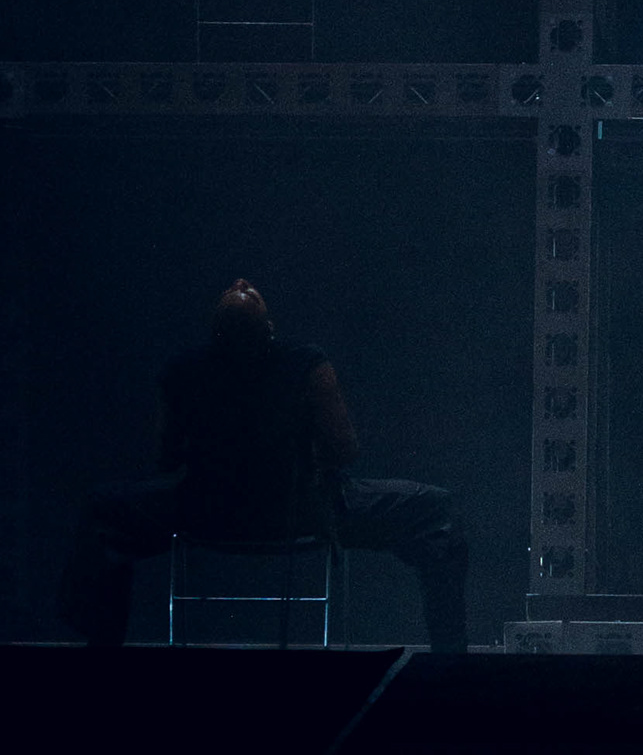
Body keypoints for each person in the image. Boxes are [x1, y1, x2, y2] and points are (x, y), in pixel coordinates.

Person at [58, 278, 469, 652]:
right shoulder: (306, 364)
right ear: (268, 329)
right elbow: (346, 449)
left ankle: (102, 656)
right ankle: (451, 659)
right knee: (434, 509)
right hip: (301, 512)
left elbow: (165, 459)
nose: (241, 283)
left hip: (206, 513)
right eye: (242, 290)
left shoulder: (183, 371)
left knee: (103, 510)